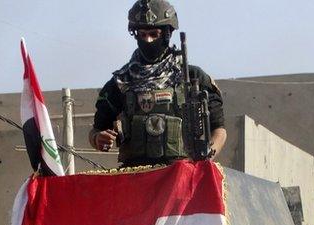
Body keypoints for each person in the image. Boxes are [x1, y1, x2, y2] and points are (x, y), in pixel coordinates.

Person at [89, 0, 227, 167]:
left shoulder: (192, 77)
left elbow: (219, 129)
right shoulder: (121, 81)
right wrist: (98, 138)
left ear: (167, 34)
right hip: (135, 174)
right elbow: (97, 130)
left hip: (181, 172)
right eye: (143, 34)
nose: (148, 40)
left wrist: (205, 160)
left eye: (154, 34)